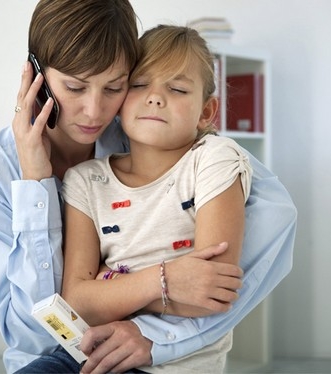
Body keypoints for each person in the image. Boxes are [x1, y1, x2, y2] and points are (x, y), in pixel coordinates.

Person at [0, 0, 297, 373]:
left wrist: (149, 328)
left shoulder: (148, 131)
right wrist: (35, 183)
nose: (94, 111)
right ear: (34, 75)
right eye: (74, 87)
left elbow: (274, 217)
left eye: (114, 87)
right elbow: (34, 334)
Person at [60, 24, 252, 373]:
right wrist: (167, 280)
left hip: (171, 363)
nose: (156, 97)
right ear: (119, 100)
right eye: (139, 84)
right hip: (87, 352)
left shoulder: (213, 159)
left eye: (177, 88)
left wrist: (109, 283)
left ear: (207, 112)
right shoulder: (85, 181)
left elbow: (210, 292)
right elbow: (78, 305)